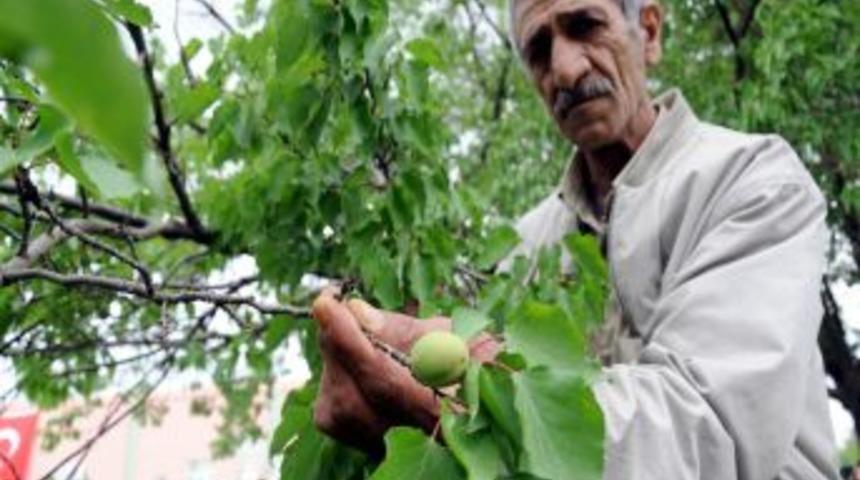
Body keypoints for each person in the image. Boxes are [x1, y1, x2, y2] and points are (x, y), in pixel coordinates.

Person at [310, 0, 841, 477]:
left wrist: (453, 401)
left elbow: (707, 431)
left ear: (649, 32)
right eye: (539, 50)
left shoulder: (751, 180)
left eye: (586, 26)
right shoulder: (522, 247)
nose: (565, 69)